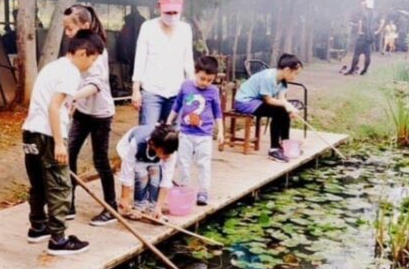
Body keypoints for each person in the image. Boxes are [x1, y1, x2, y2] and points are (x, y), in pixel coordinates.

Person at [26, 32, 102, 255]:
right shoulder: (70, 72)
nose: (93, 63)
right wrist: (59, 143)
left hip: (30, 132)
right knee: (60, 185)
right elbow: (53, 107)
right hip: (49, 135)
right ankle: (58, 239)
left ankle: (38, 227)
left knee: (38, 184)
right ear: (81, 53)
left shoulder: (54, 67)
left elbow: (49, 101)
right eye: (93, 58)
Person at [59, 4, 120, 227]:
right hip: (83, 111)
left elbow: (96, 84)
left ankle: (111, 207)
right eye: (65, 28)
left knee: (100, 160)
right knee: (69, 154)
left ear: (85, 25)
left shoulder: (97, 49)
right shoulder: (74, 47)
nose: (67, 33)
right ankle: (69, 203)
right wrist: (74, 101)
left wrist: (72, 97)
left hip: (101, 114)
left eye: (70, 28)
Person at [131, 0, 194, 131]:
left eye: (175, 12)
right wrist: (135, 90)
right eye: (168, 12)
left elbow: (188, 61)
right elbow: (140, 59)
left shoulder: (185, 30)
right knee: (148, 133)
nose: (171, 15)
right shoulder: (148, 27)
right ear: (159, 7)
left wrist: (191, 90)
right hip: (152, 91)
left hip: (177, 91)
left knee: (172, 135)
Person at [173, 53, 222, 207]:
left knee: (204, 163)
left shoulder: (213, 91)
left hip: (204, 134)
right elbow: (177, 105)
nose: (205, 83)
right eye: (202, 78)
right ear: (195, 72)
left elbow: (217, 112)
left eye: (210, 80)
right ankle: (183, 187)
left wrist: (221, 131)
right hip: (186, 132)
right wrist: (169, 121)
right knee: (183, 161)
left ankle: (203, 191)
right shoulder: (186, 86)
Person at [232, 53, 301, 156]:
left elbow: (281, 100)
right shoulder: (268, 77)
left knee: (283, 110)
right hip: (244, 102)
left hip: (257, 102)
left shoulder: (283, 82)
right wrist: (286, 106)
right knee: (279, 111)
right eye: (295, 73)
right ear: (287, 70)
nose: (295, 77)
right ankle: (274, 149)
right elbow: (268, 100)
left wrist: (290, 109)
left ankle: (285, 145)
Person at [115, 118, 180, 223]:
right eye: (165, 153)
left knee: (155, 174)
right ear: (153, 144)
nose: (167, 157)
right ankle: (139, 206)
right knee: (142, 175)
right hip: (134, 155)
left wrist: (159, 207)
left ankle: (153, 207)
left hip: (154, 156)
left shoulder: (170, 149)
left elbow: (167, 178)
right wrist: (124, 199)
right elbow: (127, 172)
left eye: (169, 154)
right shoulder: (136, 143)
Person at [344, 0, 377, 76]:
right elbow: (381, 22)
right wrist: (376, 32)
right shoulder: (374, 14)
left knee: (357, 53)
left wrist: (359, 31)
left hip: (363, 36)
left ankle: (352, 70)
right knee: (368, 54)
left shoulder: (363, 12)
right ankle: (365, 70)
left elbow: (360, 22)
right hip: (370, 36)